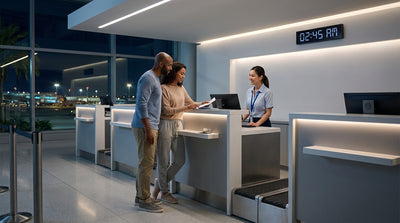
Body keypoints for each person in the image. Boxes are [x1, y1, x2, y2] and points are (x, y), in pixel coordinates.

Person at [152, 62, 208, 204]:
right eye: (181, 73)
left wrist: (202, 103)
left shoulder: (181, 88)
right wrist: (185, 108)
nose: (183, 76)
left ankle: (160, 182)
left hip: (178, 124)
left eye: (184, 74)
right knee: (163, 161)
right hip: (164, 125)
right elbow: (166, 110)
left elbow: (190, 103)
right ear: (173, 72)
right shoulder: (163, 88)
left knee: (180, 160)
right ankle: (165, 192)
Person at [131, 52, 173, 213]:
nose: (170, 68)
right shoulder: (148, 78)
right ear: (161, 64)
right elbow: (141, 105)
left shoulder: (155, 79)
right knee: (146, 164)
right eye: (169, 65)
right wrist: (148, 129)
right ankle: (144, 200)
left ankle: (140, 197)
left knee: (145, 164)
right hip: (145, 127)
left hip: (150, 126)